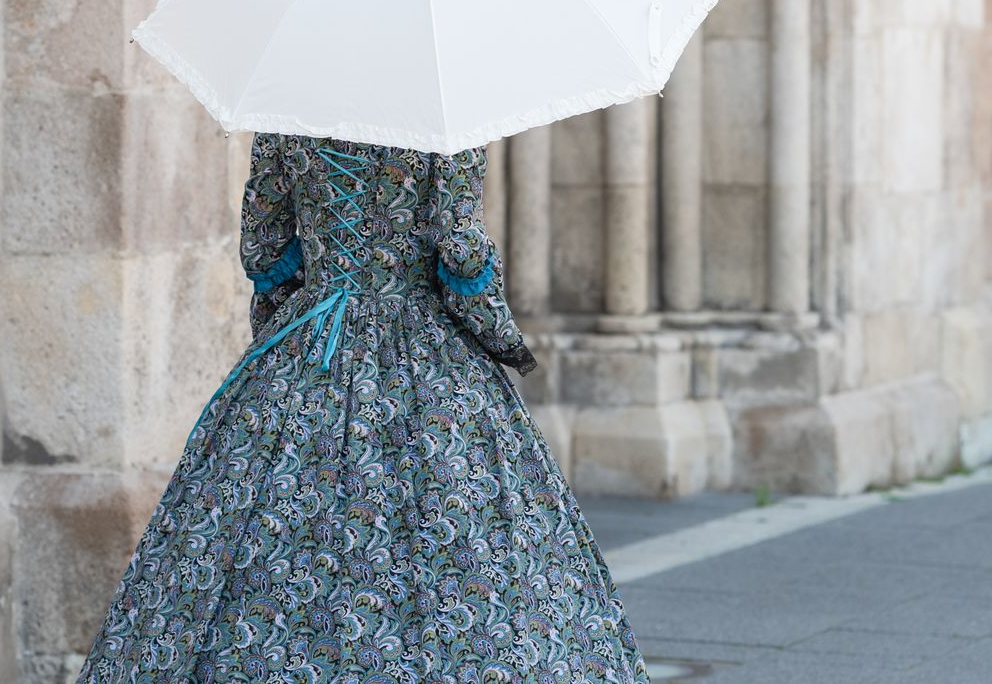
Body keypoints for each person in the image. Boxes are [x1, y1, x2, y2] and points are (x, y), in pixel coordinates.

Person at [76, 132, 650, 683]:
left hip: (311, 342)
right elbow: (461, 248)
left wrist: (293, 318)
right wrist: (498, 335)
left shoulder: (291, 113)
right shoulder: (439, 123)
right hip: (424, 355)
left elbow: (264, 244)